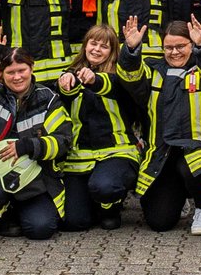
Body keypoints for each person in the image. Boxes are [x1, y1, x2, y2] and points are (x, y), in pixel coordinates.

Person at [0, 25, 74, 240]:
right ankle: (2, 216)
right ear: (2, 74)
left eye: (21, 70)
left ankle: (21, 210)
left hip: (35, 178)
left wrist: (27, 146)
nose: (17, 77)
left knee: (40, 229)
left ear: (31, 69)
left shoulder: (48, 98)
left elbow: (63, 141)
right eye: (10, 72)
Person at [122, 17, 201, 235]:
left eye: (181, 46)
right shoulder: (154, 71)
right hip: (163, 152)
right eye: (168, 47)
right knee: (159, 222)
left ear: (191, 45)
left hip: (199, 148)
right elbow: (131, 81)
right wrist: (131, 51)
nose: (174, 52)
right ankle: (179, 200)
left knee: (192, 168)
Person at [56, 23, 142, 231]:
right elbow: (63, 103)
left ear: (113, 52)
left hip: (117, 152)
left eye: (104, 47)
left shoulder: (121, 76)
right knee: (74, 222)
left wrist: (94, 80)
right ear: (85, 46)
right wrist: (64, 84)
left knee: (104, 187)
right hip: (79, 158)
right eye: (93, 44)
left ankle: (110, 207)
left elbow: (111, 85)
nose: (96, 49)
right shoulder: (71, 72)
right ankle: (94, 203)